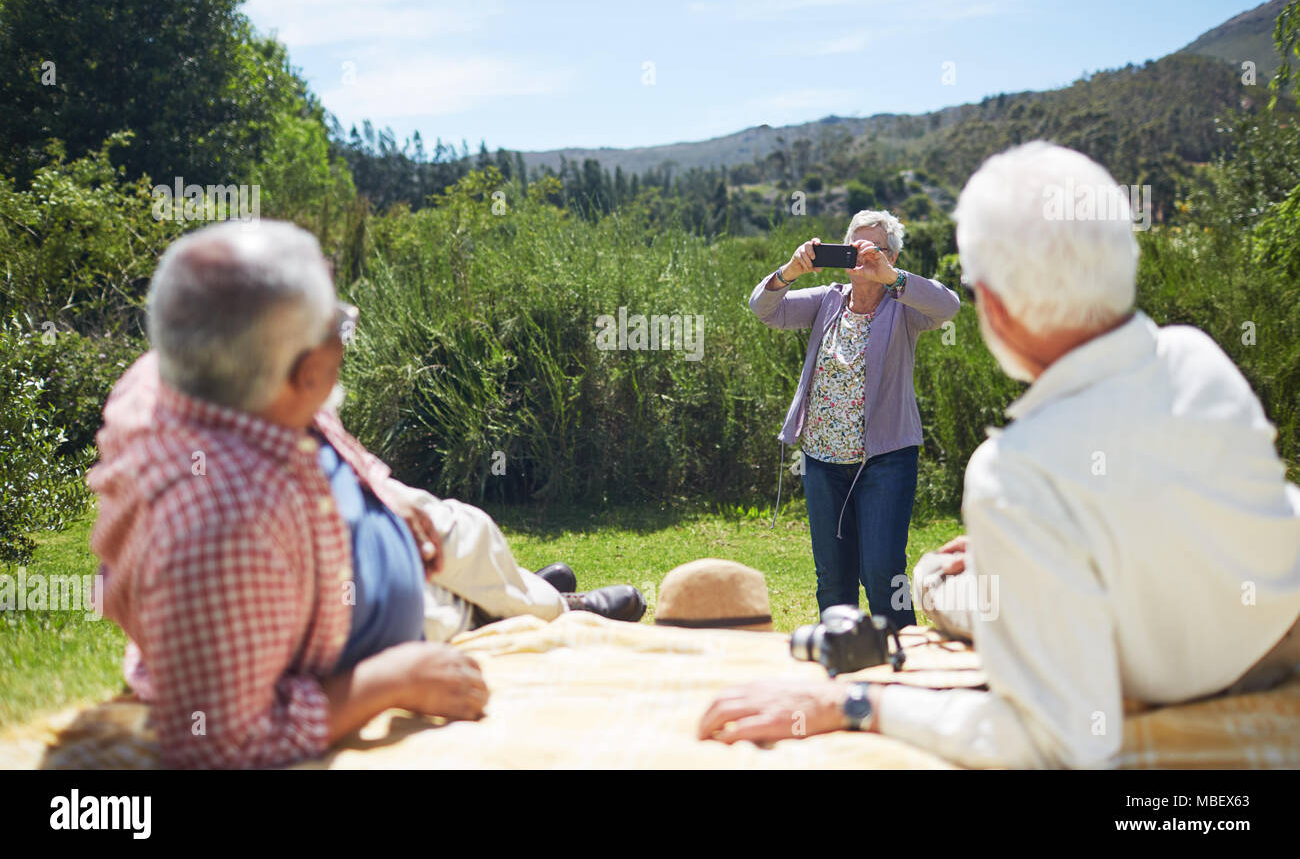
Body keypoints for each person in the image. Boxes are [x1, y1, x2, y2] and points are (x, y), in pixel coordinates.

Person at [701, 142, 1300, 768]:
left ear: (997, 307)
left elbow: (1058, 746)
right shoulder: (1200, 358)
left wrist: (860, 706)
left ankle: (909, 628)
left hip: (895, 468)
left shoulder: (1012, 474)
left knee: (924, 576)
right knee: (934, 577)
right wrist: (791, 269)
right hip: (1260, 633)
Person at [88, 219, 644, 768]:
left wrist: (380, 491)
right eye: (340, 324)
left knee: (468, 532)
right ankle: (547, 609)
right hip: (349, 622)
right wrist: (389, 681)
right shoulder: (224, 532)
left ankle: (522, 596)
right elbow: (224, 739)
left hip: (343, 546)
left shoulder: (203, 371)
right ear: (307, 372)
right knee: (449, 608)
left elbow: (314, 424)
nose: (347, 334)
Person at [749, 211, 960, 627]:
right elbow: (764, 309)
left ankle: (904, 659)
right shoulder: (826, 299)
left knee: (882, 572)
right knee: (832, 578)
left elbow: (948, 306)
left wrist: (892, 277)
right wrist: (791, 270)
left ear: (893, 256)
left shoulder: (905, 307)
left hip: (885, 461)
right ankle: (839, 661)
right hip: (822, 460)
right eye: (855, 247)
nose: (863, 256)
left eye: (875, 249)